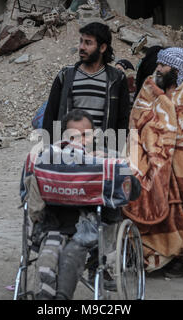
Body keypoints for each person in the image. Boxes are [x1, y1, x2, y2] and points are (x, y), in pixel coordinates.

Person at [23, 109, 141, 300]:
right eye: (73, 136)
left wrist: (109, 166)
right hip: (56, 224)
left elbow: (134, 191)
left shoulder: (109, 156)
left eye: (85, 135)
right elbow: (28, 188)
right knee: (48, 256)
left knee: (71, 254)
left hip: (92, 227)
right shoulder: (50, 156)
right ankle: (45, 296)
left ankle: (61, 298)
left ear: (94, 134)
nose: (80, 140)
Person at [123, 47, 183, 277]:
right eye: (158, 65)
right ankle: (151, 251)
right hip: (150, 159)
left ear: (177, 69)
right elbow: (137, 119)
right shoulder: (149, 87)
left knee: (182, 208)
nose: (158, 69)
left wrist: (164, 118)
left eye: (164, 66)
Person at [42, 22, 130, 151]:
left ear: (102, 48)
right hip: (68, 149)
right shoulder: (66, 76)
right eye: (81, 41)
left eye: (88, 43)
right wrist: (48, 150)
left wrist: (115, 154)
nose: (81, 47)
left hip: (101, 152)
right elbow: (50, 115)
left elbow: (122, 120)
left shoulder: (117, 79)